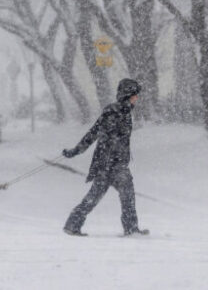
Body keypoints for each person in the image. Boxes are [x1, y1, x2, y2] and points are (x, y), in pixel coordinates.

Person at [61, 78, 149, 237]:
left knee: (98, 195)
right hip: (110, 163)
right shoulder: (114, 112)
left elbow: (98, 133)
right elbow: (95, 133)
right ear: (127, 95)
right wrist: (76, 151)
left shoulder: (125, 111)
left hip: (112, 163)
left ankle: (73, 224)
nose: (137, 98)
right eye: (135, 95)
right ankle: (130, 228)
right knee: (123, 193)